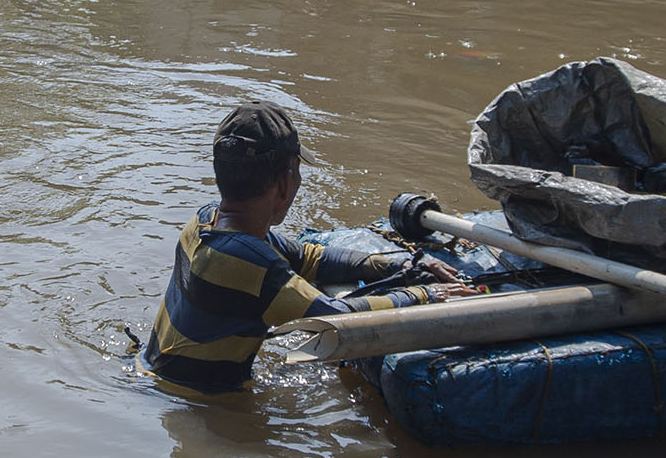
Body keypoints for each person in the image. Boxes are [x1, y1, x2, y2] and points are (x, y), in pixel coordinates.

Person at [142, 103, 473, 403]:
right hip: (197, 403)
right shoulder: (250, 264)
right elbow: (335, 320)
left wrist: (397, 264)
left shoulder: (204, 221)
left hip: (159, 381)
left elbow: (309, 257)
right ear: (286, 183)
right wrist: (424, 294)